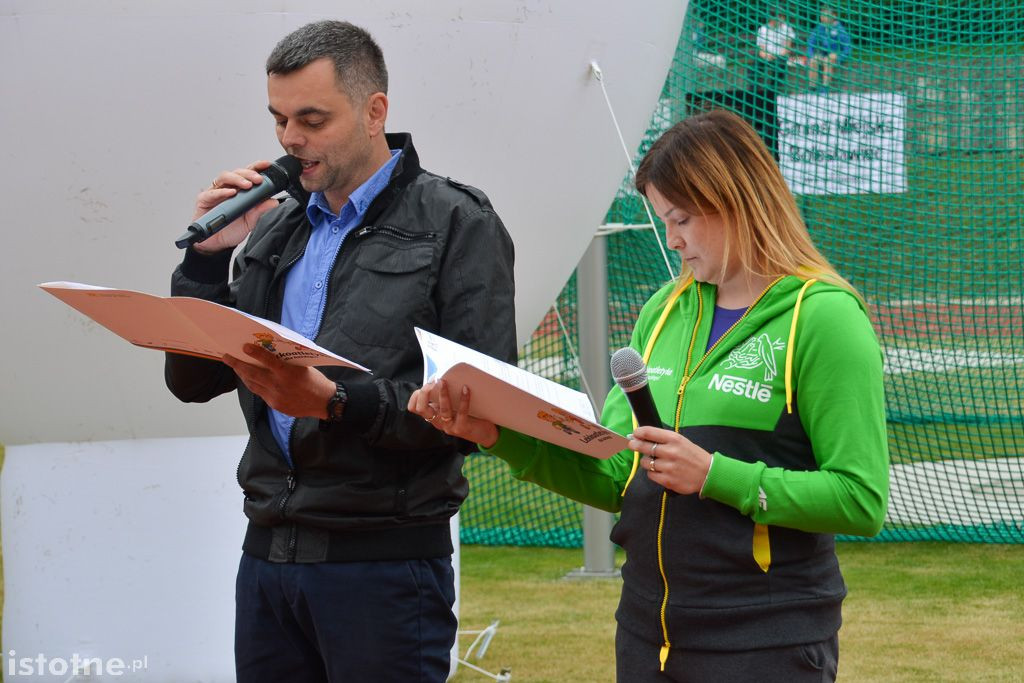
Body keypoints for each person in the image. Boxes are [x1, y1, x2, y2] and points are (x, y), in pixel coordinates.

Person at [409, 109, 888, 682]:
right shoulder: (662, 310)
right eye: (664, 220)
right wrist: (499, 436)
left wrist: (715, 475)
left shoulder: (827, 318)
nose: (672, 239)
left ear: (737, 200)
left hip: (766, 640)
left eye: (682, 218)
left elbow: (860, 498)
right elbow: (618, 476)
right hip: (645, 634)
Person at [164, 20, 517, 683]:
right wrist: (207, 263)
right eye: (279, 119)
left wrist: (336, 403)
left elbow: (480, 411)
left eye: (312, 119)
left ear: (374, 111)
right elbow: (192, 381)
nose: (290, 139)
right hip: (267, 557)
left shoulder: (456, 221)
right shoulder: (276, 228)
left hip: (383, 565)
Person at [751, 7, 796, 93]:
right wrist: (767, 55)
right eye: (780, 17)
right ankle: (753, 89)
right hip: (766, 56)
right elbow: (761, 50)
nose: (782, 19)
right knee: (755, 64)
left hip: (780, 56)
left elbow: (787, 48)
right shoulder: (763, 29)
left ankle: (772, 90)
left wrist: (777, 56)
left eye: (782, 17)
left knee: (780, 64)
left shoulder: (787, 28)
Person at [807, 6, 852, 92]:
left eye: (825, 15)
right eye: (821, 15)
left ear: (834, 16)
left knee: (828, 60)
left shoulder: (840, 30)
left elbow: (847, 49)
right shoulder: (820, 27)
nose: (822, 18)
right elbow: (811, 42)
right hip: (823, 55)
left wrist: (839, 57)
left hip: (835, 55)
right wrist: (811, 55)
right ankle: (812, 87)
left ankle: (825, 88)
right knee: (813, 60)